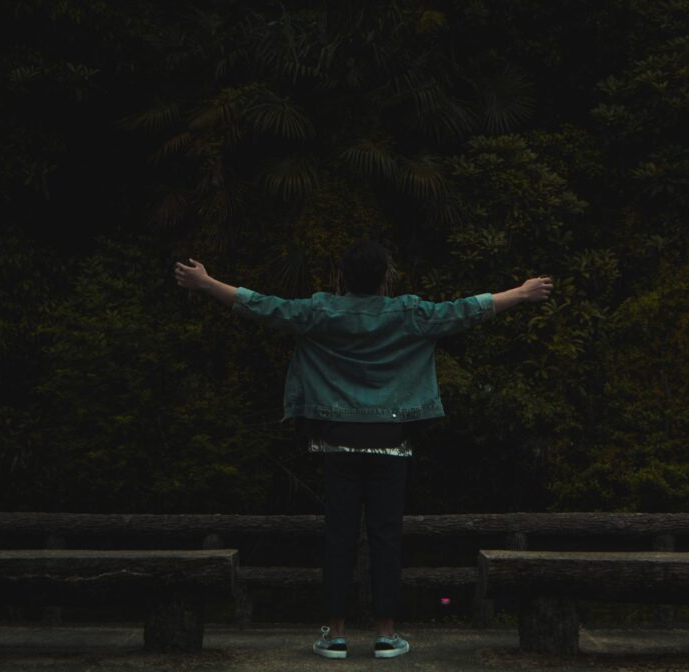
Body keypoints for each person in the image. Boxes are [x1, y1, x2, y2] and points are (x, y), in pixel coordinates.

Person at [174, 239, 552, 659]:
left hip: (338, 441)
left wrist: (207, 283)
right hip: (391, 444)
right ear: (384, 277)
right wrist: (521, 293)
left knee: (339, 538)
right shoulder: (409, 313)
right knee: (386, 539)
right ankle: (386, 635)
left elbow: (262, 305)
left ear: (342, 277)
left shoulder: (320, 311)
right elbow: (464, 309)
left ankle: (335, 635)